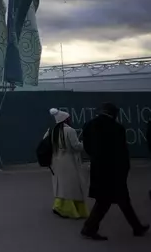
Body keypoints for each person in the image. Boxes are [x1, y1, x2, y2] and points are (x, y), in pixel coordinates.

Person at [81, 103, 149, 241]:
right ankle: (89, 228)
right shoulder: (117, 128)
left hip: (98, 169)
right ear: (113, 113)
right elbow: (122, 153)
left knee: (106, 201)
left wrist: (95, 158)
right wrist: (125, 169)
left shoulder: (89, 125)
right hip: (114, 172)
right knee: (119, 200)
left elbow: (86, 146)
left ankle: (136, 227)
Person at [46, 108, 89, 219]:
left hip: (55, 162)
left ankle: (59, 206)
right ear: (65, 120)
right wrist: (84, 143)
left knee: (60, 185)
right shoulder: (70, 131)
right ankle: (69, 209)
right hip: (69, 162)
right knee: (71, 186)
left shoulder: (50, 131)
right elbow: (76, 146)